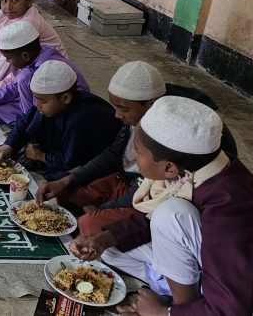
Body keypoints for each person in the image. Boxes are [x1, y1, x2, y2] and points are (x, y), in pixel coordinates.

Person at [69, 96, 253, 315]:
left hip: (234, 294)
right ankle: (175, 291)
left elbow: (232, 307)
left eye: (137, 151)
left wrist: (162, 313)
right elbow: (149, 219)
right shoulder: (196, 170)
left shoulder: (228, 207)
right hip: (203, 262)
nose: (134, 157)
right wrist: (101, 240)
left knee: (171, 214)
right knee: (110, 252)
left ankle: (183, 304)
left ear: (168, 168)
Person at [35, 61, 238, 236]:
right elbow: (114, 153)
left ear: (151, 104)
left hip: (152, 193)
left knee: (90, 224)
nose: (116, 115)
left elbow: (151, 185)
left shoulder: (176, 130)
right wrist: (67, 179)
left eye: (123, 109)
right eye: (115, 107)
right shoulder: (142, 116)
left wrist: (103, 210)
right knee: (63, 191)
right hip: (125, 180)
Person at [0, 60, 121, 180]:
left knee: (59, 180)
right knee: (36, 117)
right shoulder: (53, 105)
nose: (36, 104)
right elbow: (26, 120)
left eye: (42, 100)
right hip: (65, 146)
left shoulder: (79, 120)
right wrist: (9, 145)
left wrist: (40, 155)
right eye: (36, 98)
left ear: (65, 98)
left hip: (93, 161)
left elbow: (70, 161)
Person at [0, 20, 89, 125]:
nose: (8, 62)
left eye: (9, 58)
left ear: (25, 56)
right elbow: (12, 88)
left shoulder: (44, 69)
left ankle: (30, 126)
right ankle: (28, 121)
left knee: (23, 79)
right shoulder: (39, 54)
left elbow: (46, 100)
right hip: (48, 104)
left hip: (67, 110)